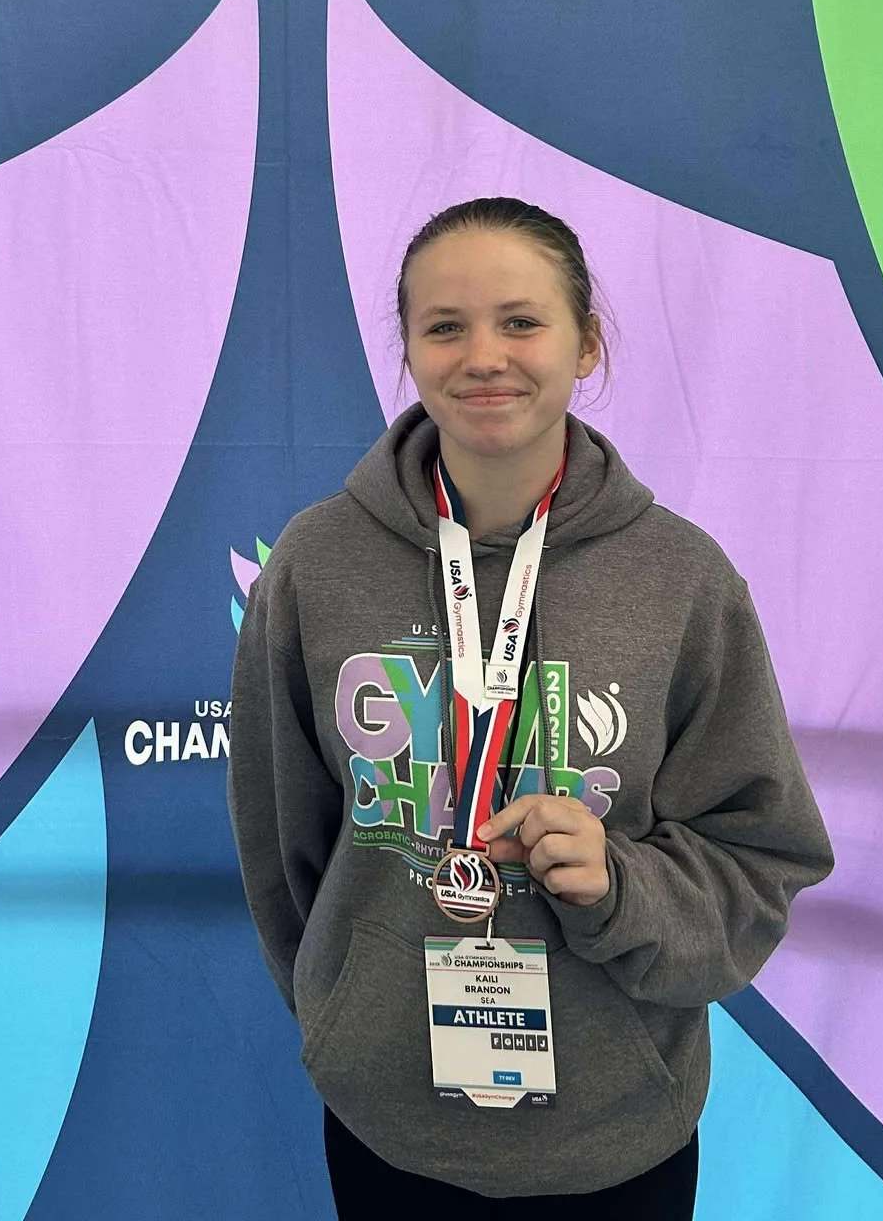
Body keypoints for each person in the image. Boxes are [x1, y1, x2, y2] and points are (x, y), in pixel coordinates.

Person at [229, 197, 833, 1218]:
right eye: (445, 326)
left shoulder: (681, 579)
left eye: (521, 321)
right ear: (408, 349)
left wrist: (620, 883)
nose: (484, 357)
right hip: (390, 1118)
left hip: (617, 1125)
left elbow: (760, 857)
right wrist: (347, 1008)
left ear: (586, 342)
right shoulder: (317, 563)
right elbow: (282, 836)